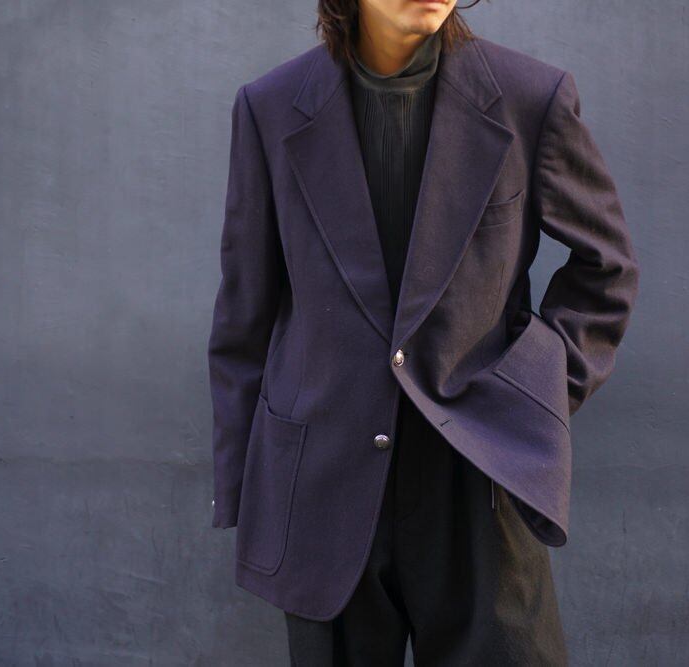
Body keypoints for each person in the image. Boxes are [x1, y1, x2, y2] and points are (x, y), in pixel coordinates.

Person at [207, 1, 640, 664]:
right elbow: (246, 312)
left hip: (479, 478)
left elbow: (606, 270)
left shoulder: (529, 98)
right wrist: (248, 485)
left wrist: (538, 394)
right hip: (324, 485)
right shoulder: (270, 108)